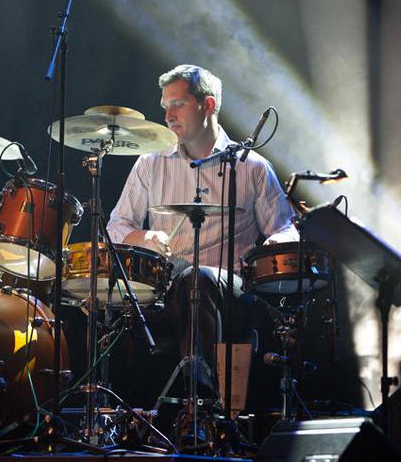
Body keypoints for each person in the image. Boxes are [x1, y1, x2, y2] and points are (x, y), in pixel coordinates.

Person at [106, 63, 297, 402]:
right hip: (166, 288)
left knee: (200, 277)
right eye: (165, 106)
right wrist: (145, 238)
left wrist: (273, 243)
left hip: (231, 294)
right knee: (108, 301)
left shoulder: (251, 167)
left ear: (207, 105)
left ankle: (201, 397)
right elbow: (117, 226)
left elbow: (285, 229)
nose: (168, 115)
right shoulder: (151, 163)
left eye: (177, 104)